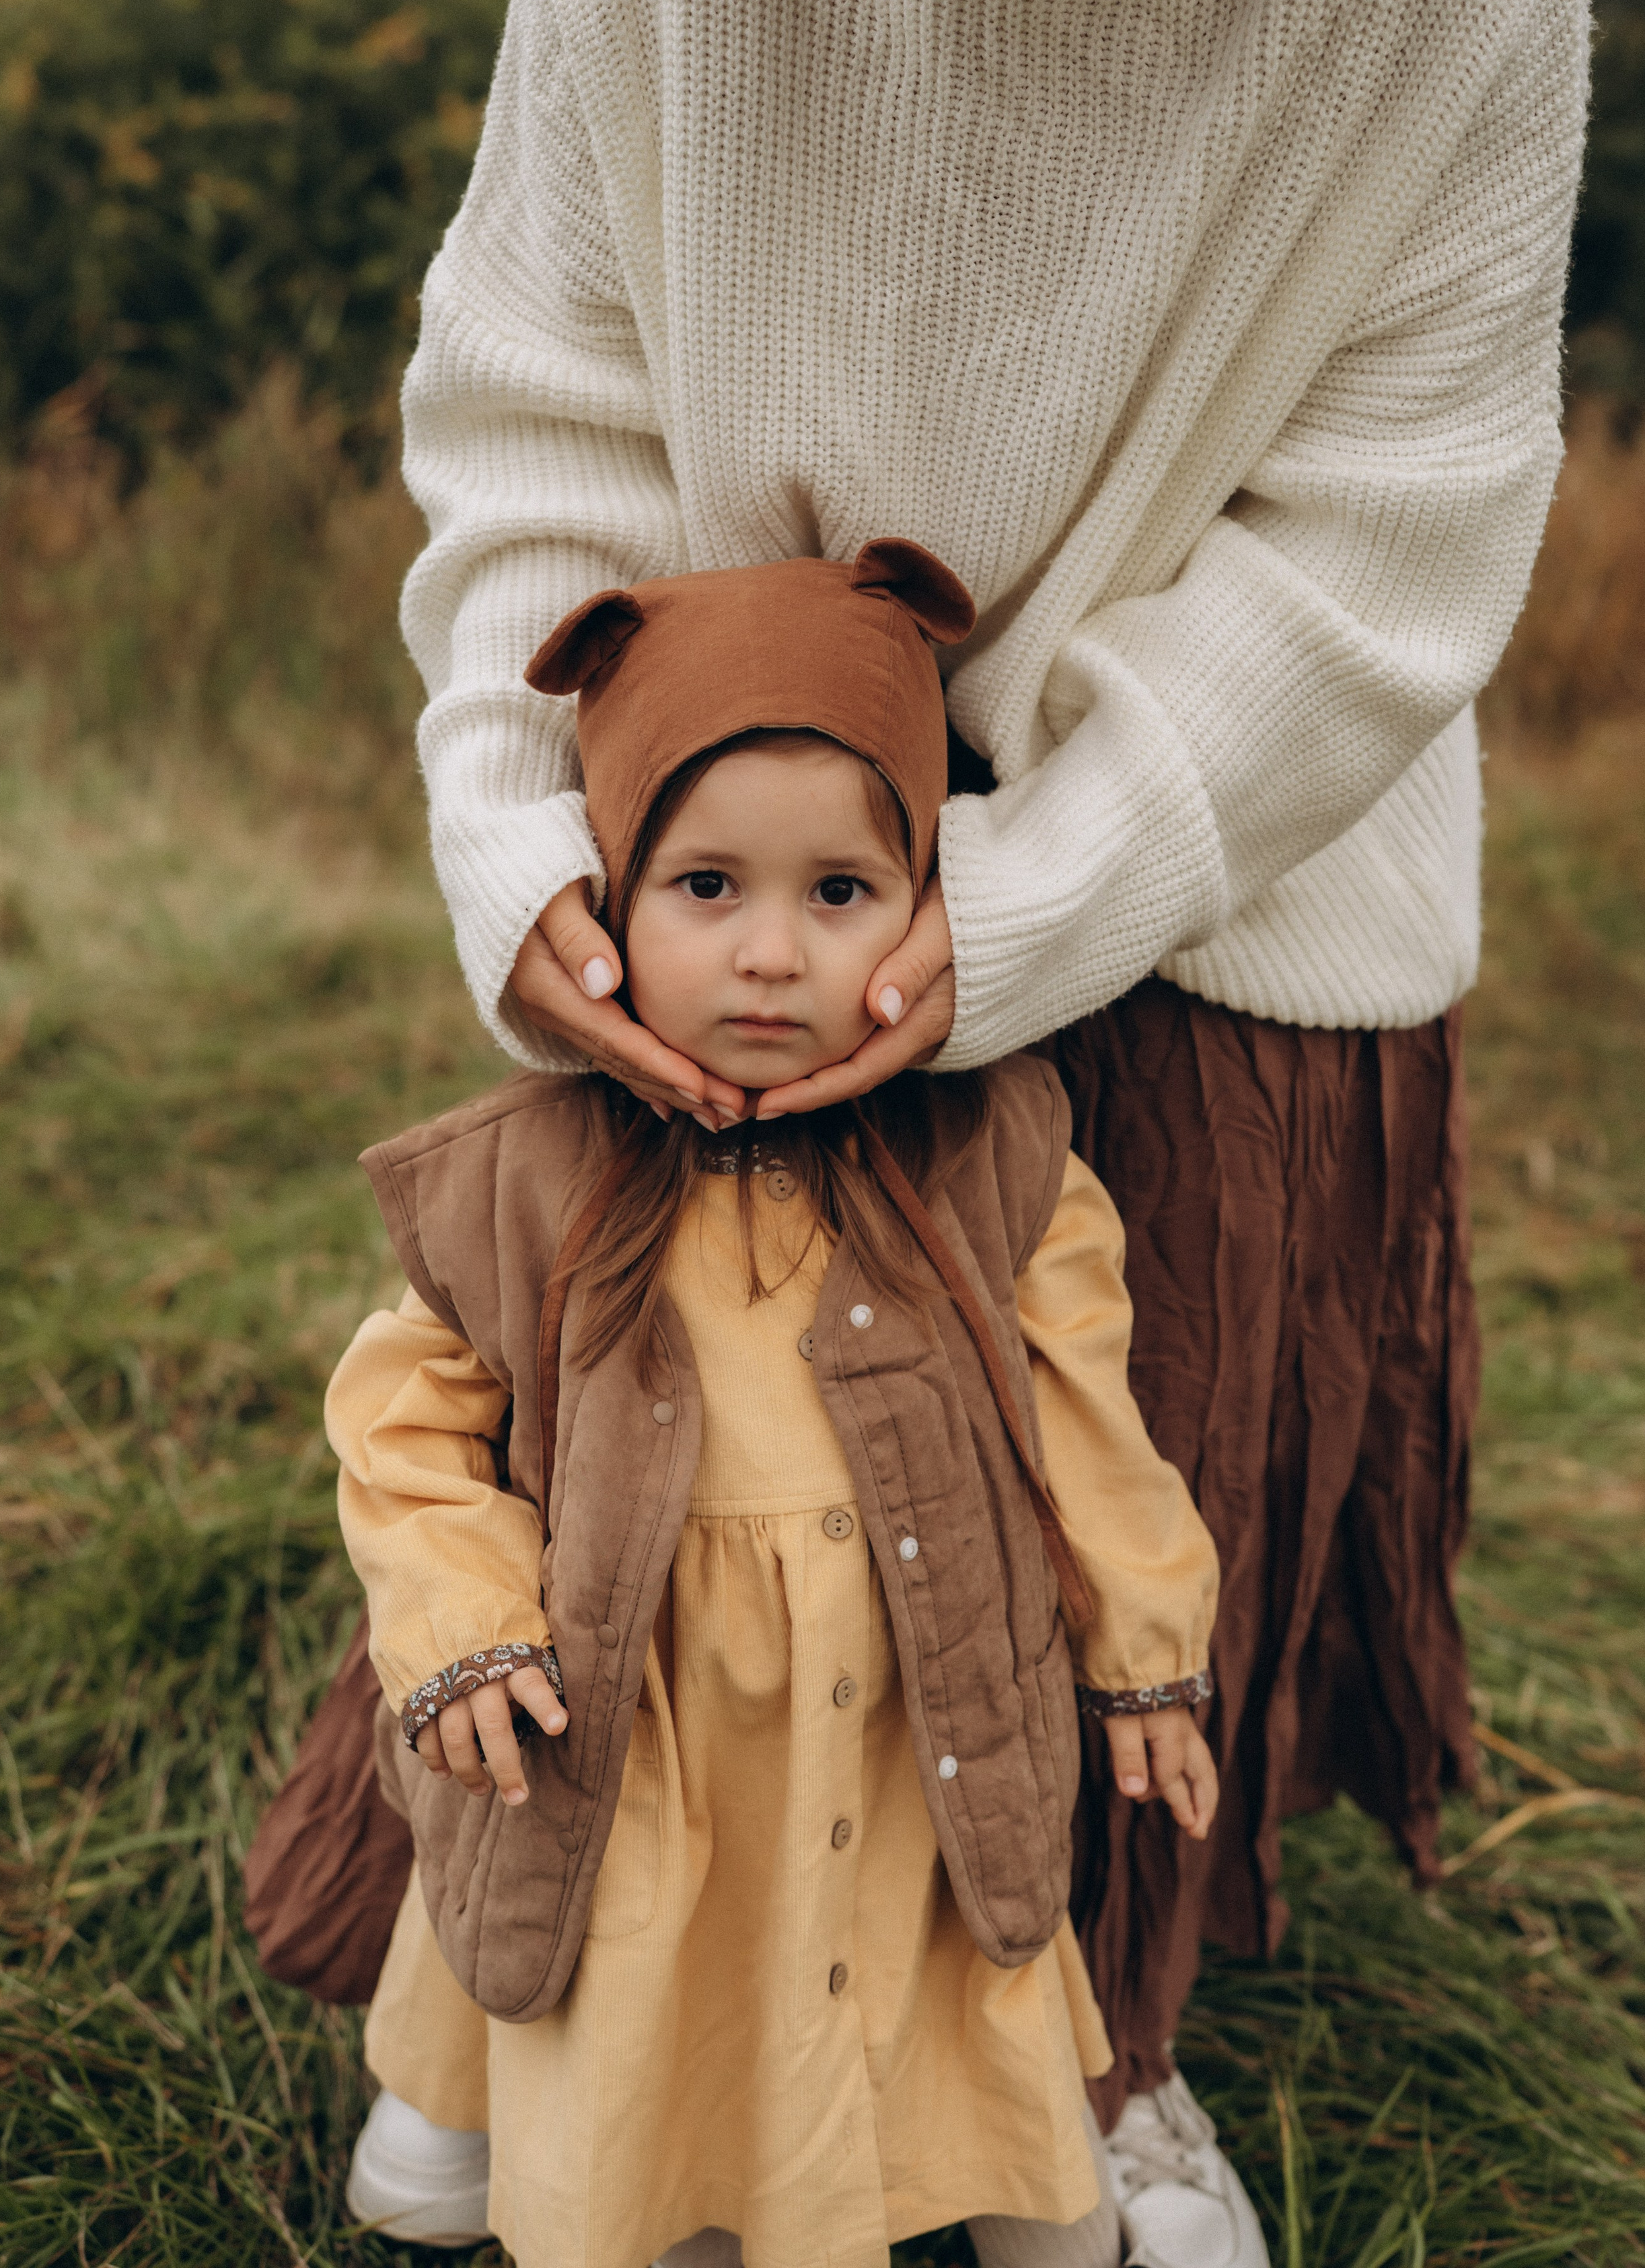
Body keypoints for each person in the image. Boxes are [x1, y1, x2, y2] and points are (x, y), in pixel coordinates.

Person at [392, 0, 1587, 2248]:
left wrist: (1041, 897)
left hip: (1229, 871)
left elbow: (1405, 502)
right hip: (731, 848)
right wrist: (531, 837)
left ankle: (1089, 2050)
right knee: (657, 1487)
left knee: (1105, 1496)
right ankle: (551, 2001)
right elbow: (545, 384)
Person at [327, 547, 1222, 2267]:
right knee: (656, 1994)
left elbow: (1084, 1418)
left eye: (837, 892)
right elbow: (402, 1426)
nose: (765, 955)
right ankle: (585, 2167)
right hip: (645, 1737)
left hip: (901, 1718)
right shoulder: (529, 1179)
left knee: (909, 1951)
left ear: (925, 902)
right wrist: (463, 1625)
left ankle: (983, 2190)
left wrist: (1143, 1645)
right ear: (601, 896)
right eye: (704, 886)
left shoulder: (987, 1156)